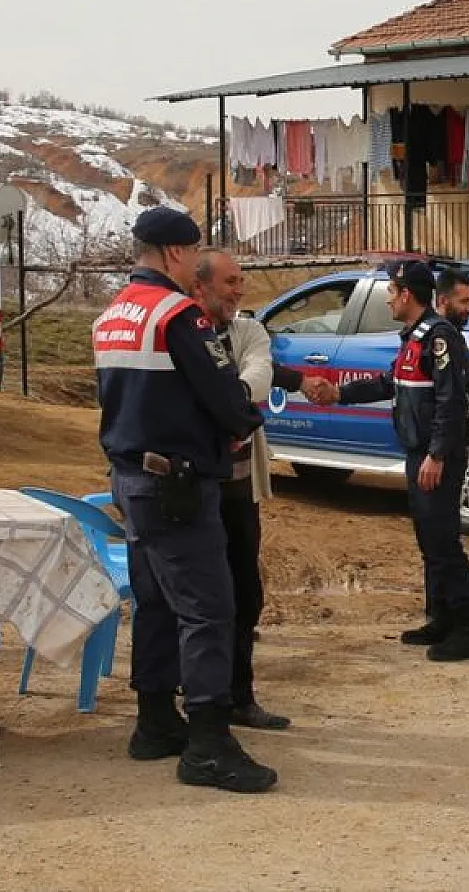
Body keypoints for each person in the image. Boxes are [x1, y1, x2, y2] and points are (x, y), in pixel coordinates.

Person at [93, 205, 276, 793]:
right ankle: (207, 744)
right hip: (177, 482)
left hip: (130, 477)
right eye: (194, 254)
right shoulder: (178, 314)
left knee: (155, 603)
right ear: (176, 254)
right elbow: (225, 398)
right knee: (208, 609)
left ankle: (153, 723)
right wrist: (244, 418)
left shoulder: (112, 315)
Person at [319, 262, 469, 661]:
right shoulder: (414, 337)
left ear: (407, 294)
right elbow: (387, 383)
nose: (388, 298)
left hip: (436, 458)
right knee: (430, 542)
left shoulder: (439, 337)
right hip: (418, 453)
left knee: (444, 544)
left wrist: (437, 454)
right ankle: (441, 619)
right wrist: (338, 395)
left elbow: (451, 403)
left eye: (392, 292)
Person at [191, 248, 334, 731]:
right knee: (197, 597)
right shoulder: (183, 328)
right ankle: (194, 696)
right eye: (229, 282)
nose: (239, 290)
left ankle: (239, 696)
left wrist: (223, 396)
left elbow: (259, 375)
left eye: (240, 281)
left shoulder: (248, 330)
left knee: (246, 592)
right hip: (195, 483)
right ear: (201, 284)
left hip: (237, 484)